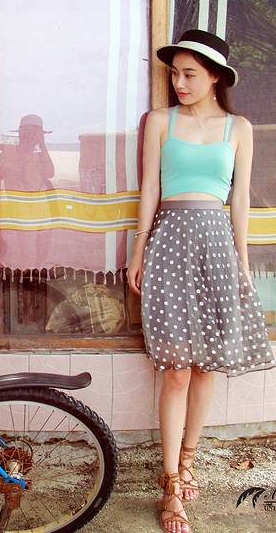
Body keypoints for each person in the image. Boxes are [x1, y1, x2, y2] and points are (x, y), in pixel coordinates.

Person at [126, 29, 276, 533]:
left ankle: (189, 460)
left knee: (207, 364)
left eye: (189, 74)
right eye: (175, 73)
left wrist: (243, 263)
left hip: (217, 247)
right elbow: (149, 188)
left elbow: (240, 200)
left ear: (215, 77)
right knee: (176, 370)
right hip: (170, 244)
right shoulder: (159, 121)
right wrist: (138, 250)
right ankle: (170, 482)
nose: (180, 83)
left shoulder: (239, 128)